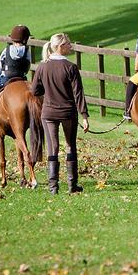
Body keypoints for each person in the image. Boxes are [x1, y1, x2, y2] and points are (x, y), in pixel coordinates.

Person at [31, 32, 89, 194]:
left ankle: (53, 187)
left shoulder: (42, 66)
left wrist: (48, 90)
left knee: (53, 148)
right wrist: (84, 116)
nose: (71, 46)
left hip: (48, 112)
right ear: (60, 46)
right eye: (68, 44)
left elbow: (35, 90)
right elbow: (78, 94)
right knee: (70, 146)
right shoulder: (71, 67)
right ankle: (72, 185)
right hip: (68, 113)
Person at [0, 25, 33, 118]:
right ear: (25, 39)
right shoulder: (27, 51)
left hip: (6, 78)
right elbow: (28, 65)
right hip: (21, 78)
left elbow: (0, 64)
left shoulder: (7, 49)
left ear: (13, 38)